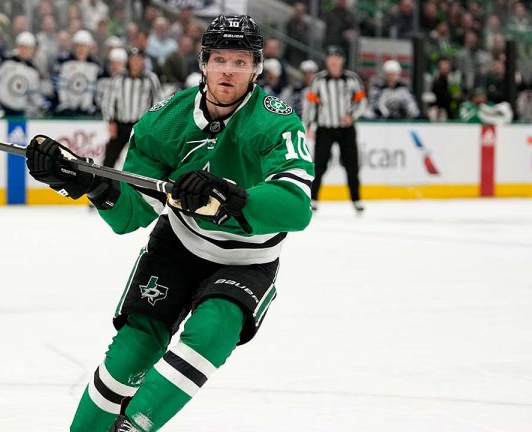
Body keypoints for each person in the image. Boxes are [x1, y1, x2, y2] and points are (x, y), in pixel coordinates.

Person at [24, 14, 313, 432]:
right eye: (219, 59)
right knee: (130, 354)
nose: (228, 70)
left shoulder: (276, 122)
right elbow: (131, 213)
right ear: (203, 62)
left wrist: (233, 196)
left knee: (215, 328)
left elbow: (296, 205)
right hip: (177, 247)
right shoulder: (165, 121)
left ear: (256, 68)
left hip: (247, 260)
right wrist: (89, 183)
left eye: (240, 61)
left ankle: (135, 426)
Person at [303, 45, 367, 213]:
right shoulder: (318, 80)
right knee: (319, 166)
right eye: (330, 57)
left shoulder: (352, 79)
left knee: (352, 165)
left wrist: (351, 116)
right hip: (325, 128)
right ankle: (313, 199)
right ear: (326, 60)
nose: (333, 61)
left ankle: (356, 199)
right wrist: (308, 125)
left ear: (342, 60)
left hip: (347, 129)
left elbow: (362, 101)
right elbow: (310, 104)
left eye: (336, 57)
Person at [101, 47, 160, 168]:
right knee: (109, 159)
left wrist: (152, 125)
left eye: (139, 59)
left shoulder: (151, 79)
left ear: (143, 61)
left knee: (144, 160)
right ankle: (104, 183)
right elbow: (109, 99)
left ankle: (140, 185)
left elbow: (158, 102)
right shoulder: (119, 77)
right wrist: (110, 120)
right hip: (120, 124)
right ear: (129, 61)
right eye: (133, 59)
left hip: (140, 126)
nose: (136, 62)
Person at [0, 32, 47, 117]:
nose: (25, 51)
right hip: (1, 108)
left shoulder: (33, 69)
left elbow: (34, 92)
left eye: (29, 48)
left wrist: (42, 105)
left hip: (20, 111)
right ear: (18, 46)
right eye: (23, 47)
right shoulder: (6, 60)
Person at [52, 30, 103, 116]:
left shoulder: (95, 65)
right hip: (65, 107)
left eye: (84, 46)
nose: (81, 49)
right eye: (78, 46)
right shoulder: (63, 61)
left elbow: (94, 87)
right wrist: (64, 104)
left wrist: (88, 105)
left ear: (89, 47)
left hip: (86, 108)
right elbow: (59, 86)